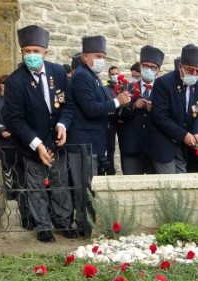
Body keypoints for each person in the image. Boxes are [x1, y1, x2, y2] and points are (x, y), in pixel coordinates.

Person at [3, 25, 76, 243]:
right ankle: (43, 226)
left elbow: (68, 105)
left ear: (46, 52)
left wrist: (63, 125)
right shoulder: (15, 82)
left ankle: (63, 223)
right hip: (31, 143)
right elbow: (14, 119)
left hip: (56, 140)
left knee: (60, 182)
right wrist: (37, 145)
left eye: (36, 50)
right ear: (22, 52)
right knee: (35, 186)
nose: (31, 55)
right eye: (27, 51)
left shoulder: (58, 73)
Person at [68, 35, 131, 237]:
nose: (101, 60)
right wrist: (116, 102)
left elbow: (104, 100)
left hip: (94, 141)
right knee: (84, 187)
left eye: (103, 56)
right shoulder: (81, 76)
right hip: (82, 143)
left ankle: (88, 223)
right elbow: (90, 108)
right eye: (97, 55)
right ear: (85, 56)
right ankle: (83, 226)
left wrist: (118, 99)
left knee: (90, 186)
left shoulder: (92, 76)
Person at [145, 44, 198, 174]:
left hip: (183, 146)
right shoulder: (164, 83)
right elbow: (160, 116)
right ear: (181, 67)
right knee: (170, 185)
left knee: (182, 184)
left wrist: (196, 132)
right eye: (190, 70)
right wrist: (183, 135)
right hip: (163, 143)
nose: (194, 74)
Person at [0, 74, 33, 230]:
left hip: (22, 143)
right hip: (4, 142)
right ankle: (10, 192)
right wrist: (2, 130)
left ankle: (32, 216)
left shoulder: (18, 100)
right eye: (3, 84)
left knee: (26, 180)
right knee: (8, 168)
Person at [117, 45, 164, 175]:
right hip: (132, 146)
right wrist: (133, 106)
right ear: (140, 66)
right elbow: (118, 114)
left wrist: (154, 109)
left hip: (154, 147)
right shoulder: (128, 87)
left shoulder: (163, 90)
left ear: (158, 70)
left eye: (153, 67)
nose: (148, 69)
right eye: (145, 65)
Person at [101, 66, 121, 175]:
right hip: (111, 120)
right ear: (109, 75)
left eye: (117, 73)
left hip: (123, 121)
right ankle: (110, 170)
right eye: (113, 74)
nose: (115, 76)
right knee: (110, 147)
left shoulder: (124, 87)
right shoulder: (106, 88)